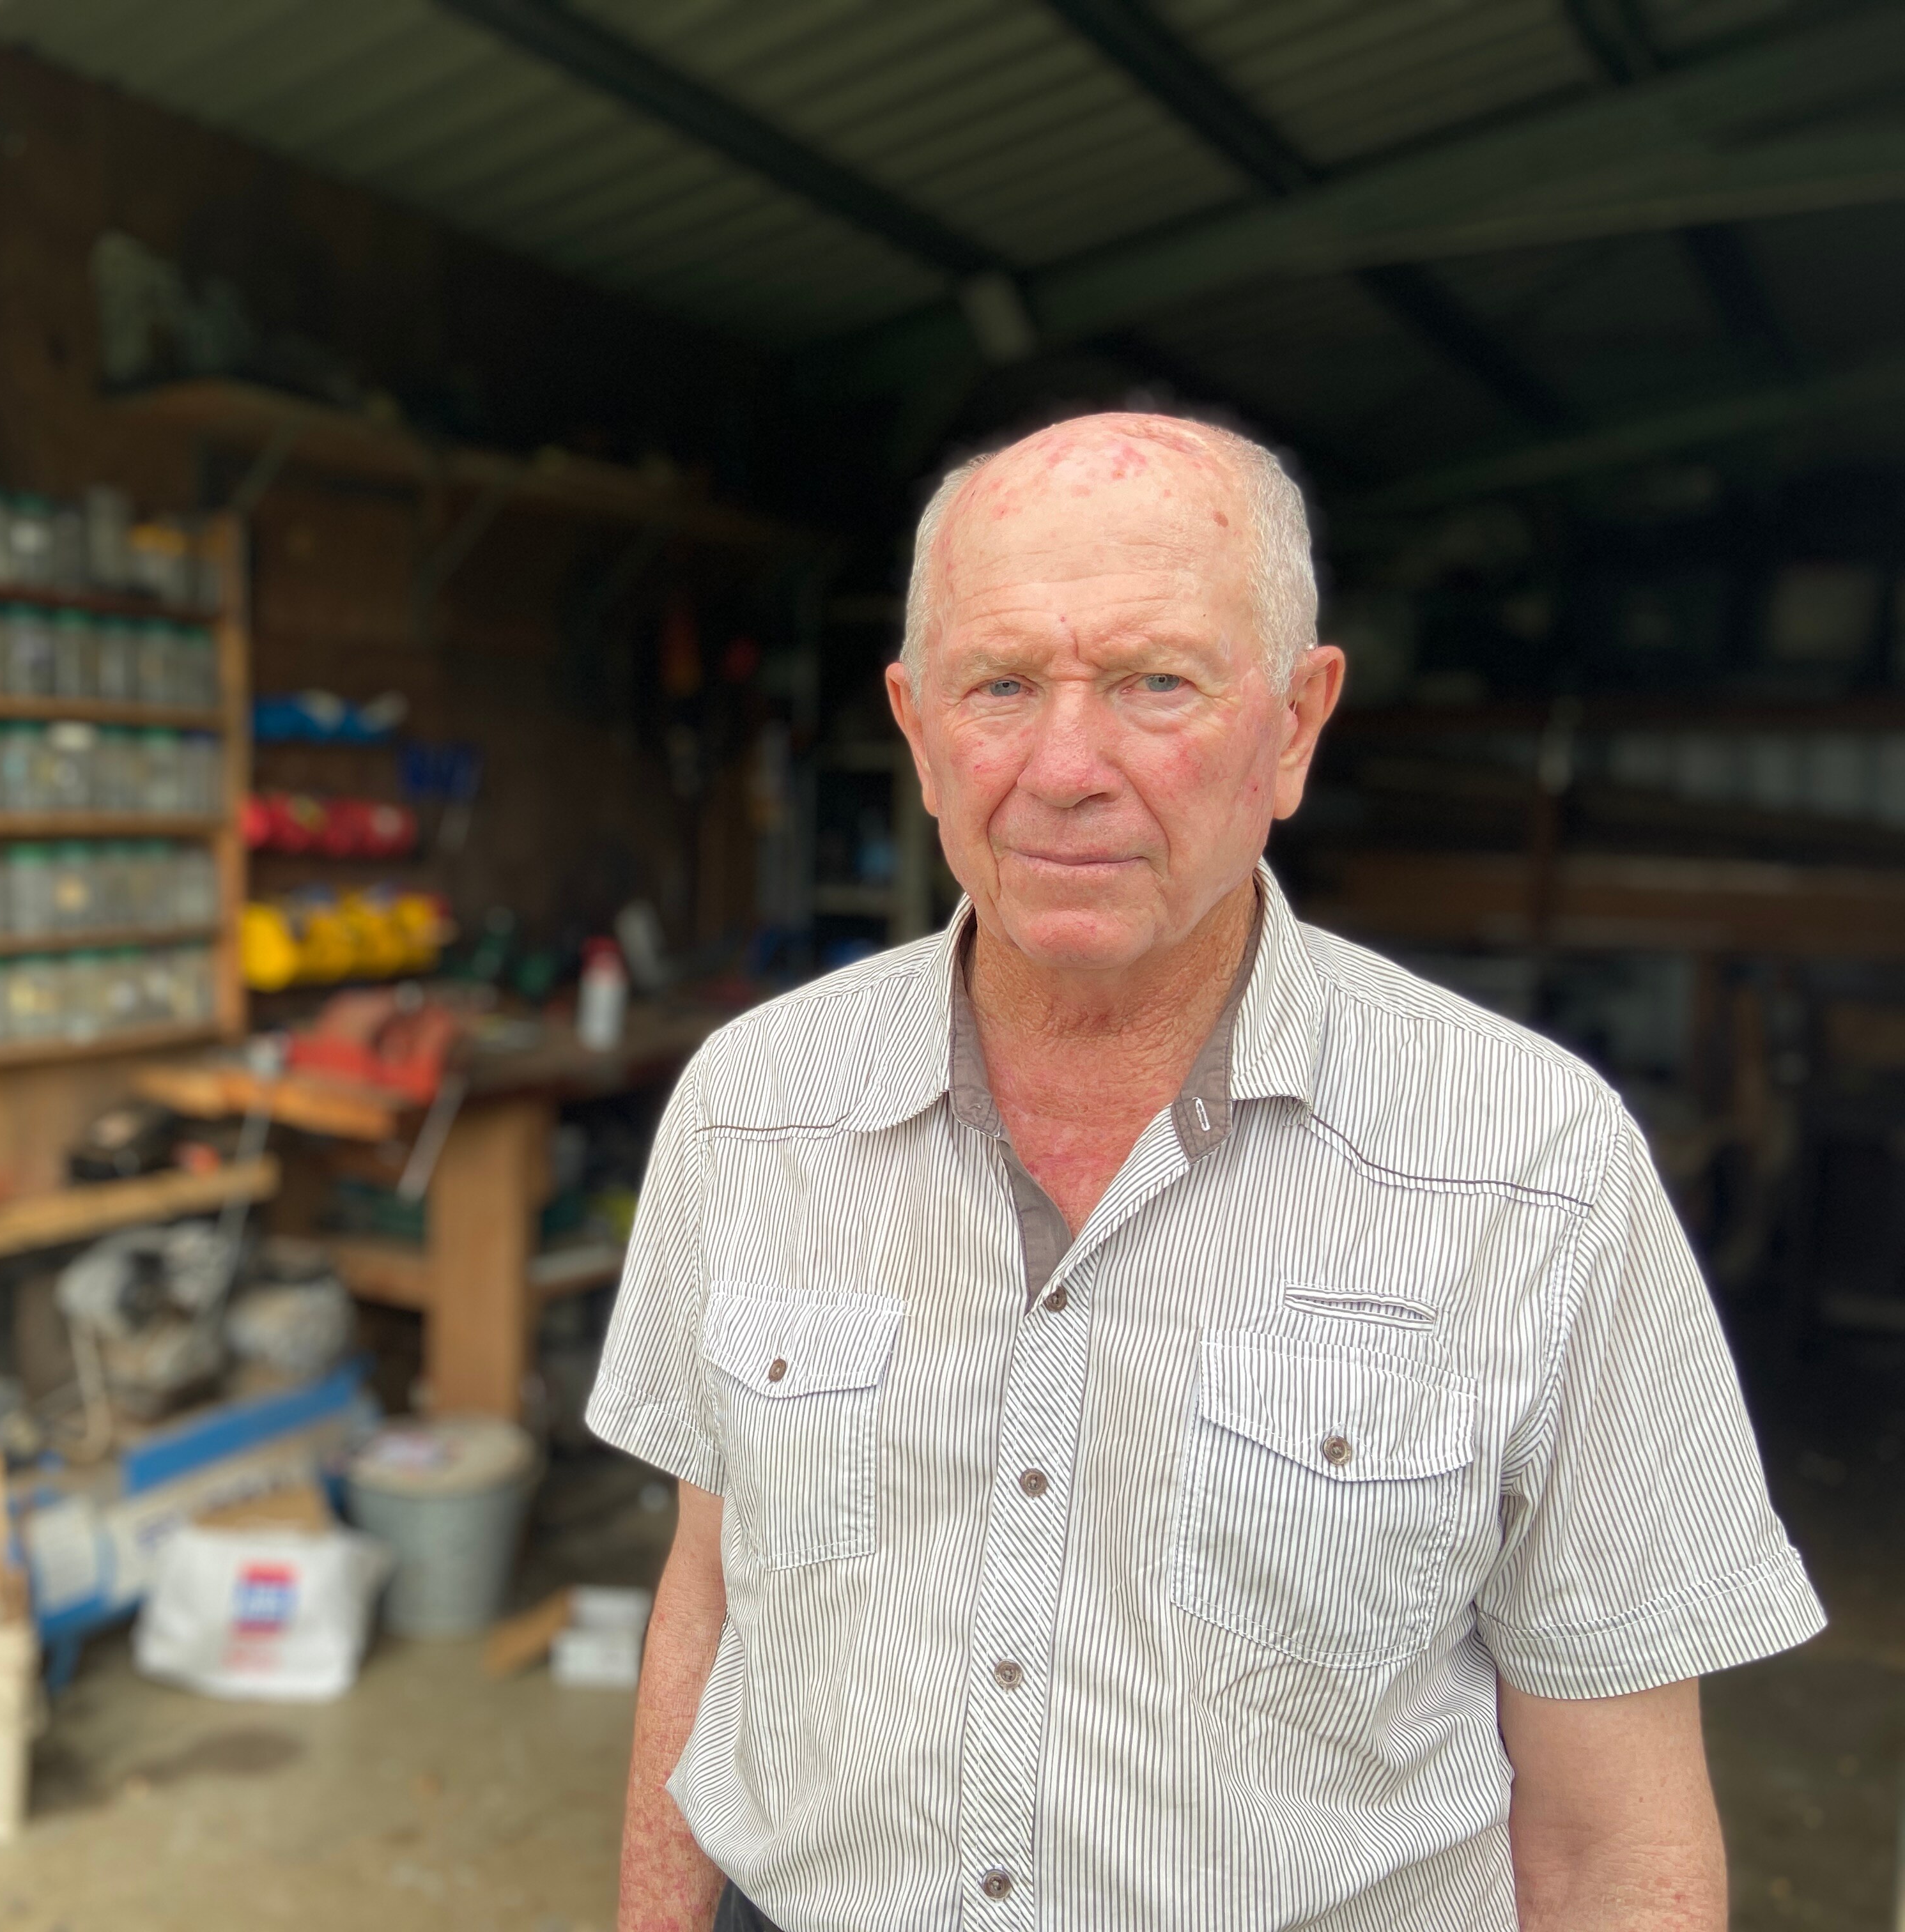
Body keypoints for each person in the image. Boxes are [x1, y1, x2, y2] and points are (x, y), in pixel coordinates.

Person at [586, 412, 1822, 1932]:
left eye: (1156, 682)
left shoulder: (1533, 1167)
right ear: (915, 729)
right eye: (1001, 685)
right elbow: (710, 1598)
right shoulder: (751, 1109)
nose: (1064, 768)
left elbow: (1612, 1833)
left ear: (1297, 725)